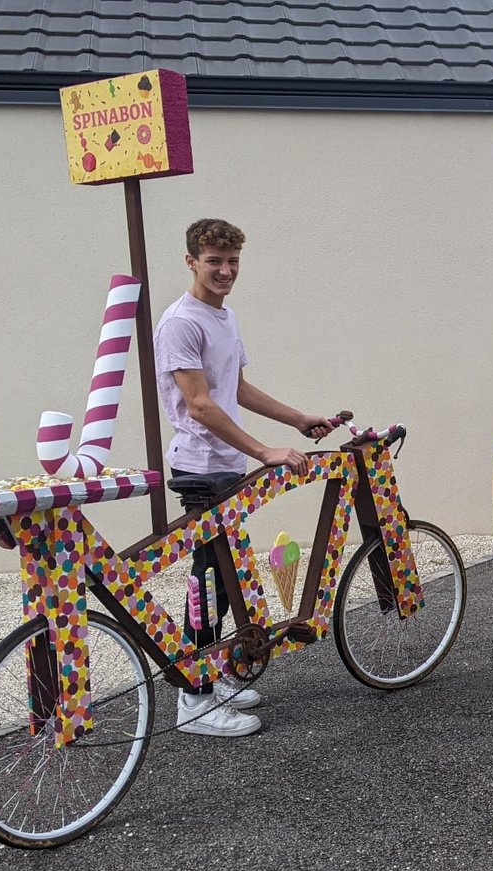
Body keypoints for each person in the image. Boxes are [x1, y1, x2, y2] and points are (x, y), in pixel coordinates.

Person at [154, 218, 334, 738]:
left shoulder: (223, 317)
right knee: (209, 578)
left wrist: (297, 418)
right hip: (201, 467)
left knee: (228, 574)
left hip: (226, 465)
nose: (225, 271)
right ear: (191, 261)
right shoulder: (180, 323)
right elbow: (201, 405)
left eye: (232, 262)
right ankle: (195, 701)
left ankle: (222, 674)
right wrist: (263, 451)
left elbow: (236, 387)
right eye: (214, 262)